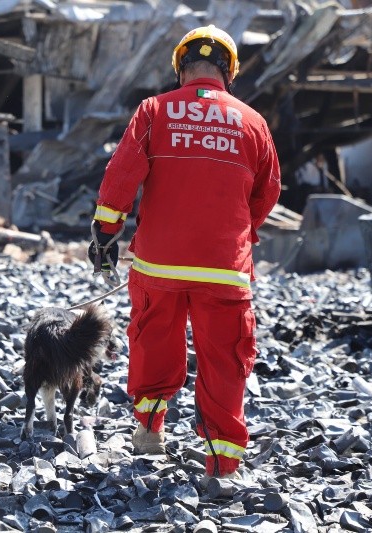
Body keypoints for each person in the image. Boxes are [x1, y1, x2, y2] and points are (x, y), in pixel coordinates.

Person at [88, 25, 281, 480]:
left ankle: (150, 431)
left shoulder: (154, 110)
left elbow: (120, 179)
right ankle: (222, 466)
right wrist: (235, 232)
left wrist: (105, 236)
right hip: (225, 269)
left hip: (159, 263)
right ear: (229, 72)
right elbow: (267, 192)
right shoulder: (253, 121)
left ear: (181, 67)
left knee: (153, 343)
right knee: (226, 361)